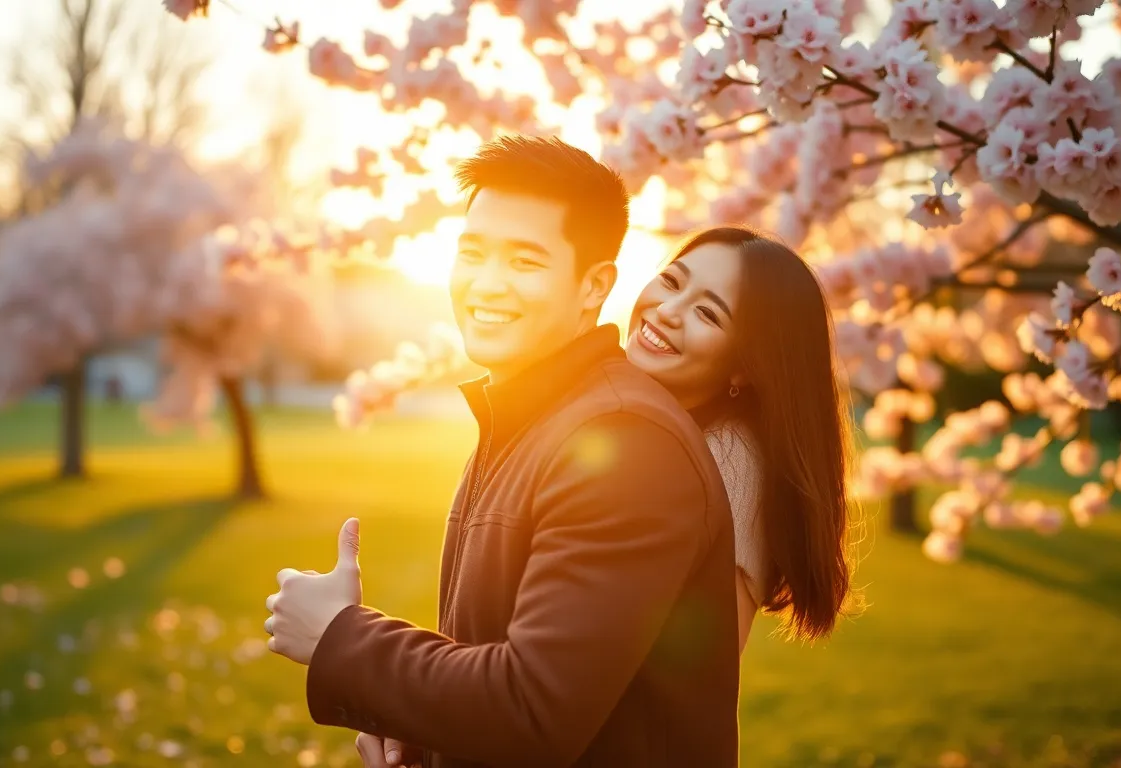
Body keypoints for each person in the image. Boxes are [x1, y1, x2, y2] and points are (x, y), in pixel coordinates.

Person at [265, 135, 741, 768]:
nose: (487, 285)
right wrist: (412, 723)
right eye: (472, 253)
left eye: (525, 263)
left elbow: (534, 710)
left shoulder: (626, 442)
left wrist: (338, 637)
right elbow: (504, 660)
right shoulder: (529, 418)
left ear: (594, 286)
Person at [623, 226, 856, 650]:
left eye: (708, 314)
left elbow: (696, 669)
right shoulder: (660, 427)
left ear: (745, 367)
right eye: (672, 281)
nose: (668, 311)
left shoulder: (727, 458)